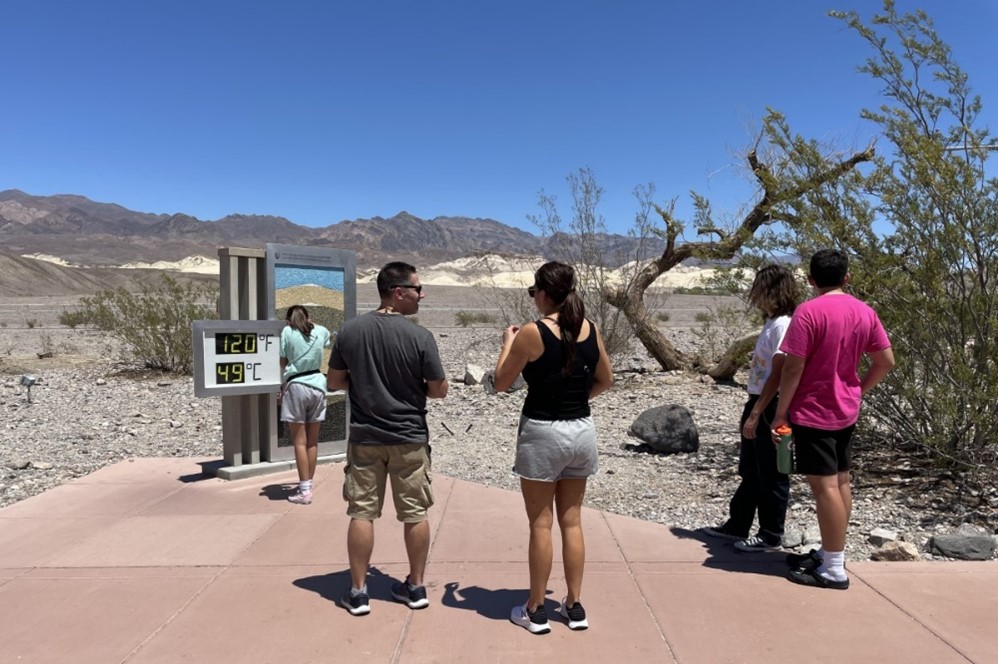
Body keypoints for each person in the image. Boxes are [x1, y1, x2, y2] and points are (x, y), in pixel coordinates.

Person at [494, 261, 614, 634]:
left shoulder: (532, 332)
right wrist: (577, 401)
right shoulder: (590, 329)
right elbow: (605, 379)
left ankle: (536, 609)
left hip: (543, 432)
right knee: (572, 520)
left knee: (541, 524)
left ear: (545, 293)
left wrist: (507, 344)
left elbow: (500, 382)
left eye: (534, 292)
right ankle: (574, 605)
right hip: (581, 430)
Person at [327, 261, 448, 616]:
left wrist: (363, 386)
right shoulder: (420, 337)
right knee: (415, 513)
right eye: (417, 289)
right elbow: (439, 391)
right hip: (410, 438)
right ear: (397, 292)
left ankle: (359, 591)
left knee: (362, 513)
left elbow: (334, 382)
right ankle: (416, 586)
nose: (421, 295)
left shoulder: (350, 332)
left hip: (365, 438)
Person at [772, 249, 894, 590]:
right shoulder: (865, 311)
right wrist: (859, 390)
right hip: (845, 410)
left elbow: (793, 366)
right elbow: (886, 361)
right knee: (841, 482)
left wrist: (781, 413)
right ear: (847, 277)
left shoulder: (808, 312)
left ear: (811, 280)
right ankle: (830, 553)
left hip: (814, 411)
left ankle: (834, 569)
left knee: (824, 486)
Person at [702, 264, 798, 551]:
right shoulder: (772, 323)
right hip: (759, 400)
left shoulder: (783, 325)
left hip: (772, 405)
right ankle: (738, 524)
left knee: (773, 471)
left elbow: (780, 372)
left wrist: (758, 412)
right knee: (752, 468)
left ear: (773, 291)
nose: (754, 296)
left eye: (760, 289)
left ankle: (771, 534)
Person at [279, 304, 332, 505]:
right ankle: (307, 485)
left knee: (299, 441)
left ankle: (305, 491)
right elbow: (326, 338)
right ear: (309, 317)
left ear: (288, 320)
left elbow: (283, 362)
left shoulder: (286, 331)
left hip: (297, 385)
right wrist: (309, 323)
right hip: (318, 385)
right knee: (312, 441)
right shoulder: (320, 331)